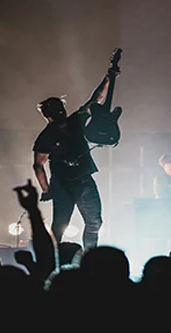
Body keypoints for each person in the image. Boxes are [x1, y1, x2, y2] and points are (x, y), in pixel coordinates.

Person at [32, 60, 120, 251]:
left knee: (94, 222)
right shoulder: (46, 137)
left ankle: (90, 258)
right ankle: (52, 260)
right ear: (49, 115)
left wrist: (108, 78)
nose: (61, 114)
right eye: (57, 112)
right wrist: (46, 189)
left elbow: (96, 100)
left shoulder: (76, 121)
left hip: (84, 181)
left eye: (61, 110)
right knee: (60, 226)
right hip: (63, 184)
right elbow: (38, 165)